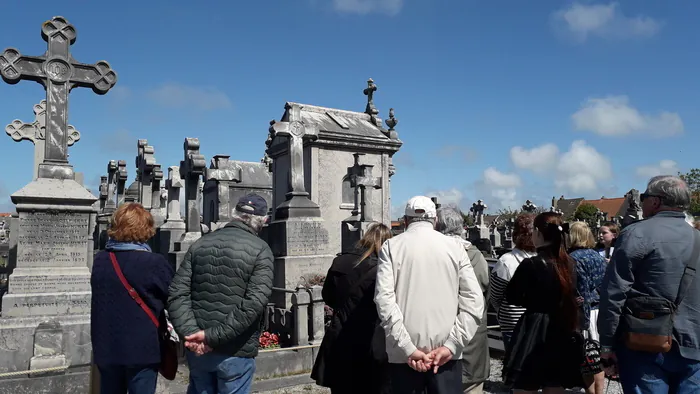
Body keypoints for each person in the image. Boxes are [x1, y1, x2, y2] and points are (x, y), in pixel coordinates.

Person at [598, 175, 700, 393]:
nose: (641, 201)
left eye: (643, 197)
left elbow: (614, 293)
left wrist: (606, 344)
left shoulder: (636, 234)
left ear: (656, 201)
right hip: (694, 344)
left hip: (644, 343)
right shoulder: (697, 238)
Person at [374, 196, 484, 394]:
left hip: (403, 357)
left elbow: (384, 301)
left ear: (405, 221)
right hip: (445, 356)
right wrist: (451, 345)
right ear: (434, 221)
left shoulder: (391, 247)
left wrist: (408, 348)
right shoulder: (456, 248)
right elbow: (474, 302)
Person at [168, 194, 274, 394]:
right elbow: (253, 304)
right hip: (235, 350)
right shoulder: (261, 251)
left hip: (198, 349)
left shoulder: (200, 244)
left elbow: (177, 294)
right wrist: (211, 337)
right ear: (263, 221)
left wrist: (192, 334)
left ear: (235, 214)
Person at [91, 203, 175, 394]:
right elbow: (173, 298)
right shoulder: (154, 263)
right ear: (146, 229)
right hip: (142, 350)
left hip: (106, 348)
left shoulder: (101, 260)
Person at [503, 212, 583, 393]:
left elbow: (512, 296)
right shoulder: (570, 263)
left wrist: (533, 299)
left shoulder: (531, 264)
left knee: (525, 385)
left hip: (534, 327)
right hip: (562, 326)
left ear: (538, 233)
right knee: (554, 384)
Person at [311, 223, 393, 394]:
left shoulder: (340, 261)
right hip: (371, 336)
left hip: (340, 333)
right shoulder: (383, 267)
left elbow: (328, 295)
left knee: (342, 387)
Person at [436, 207, 490, 394]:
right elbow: (485, 293)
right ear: (462, 227)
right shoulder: (476, 255)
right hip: (472, 339)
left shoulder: (433, 255)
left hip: (439, 340)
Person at [567, 222, 606, 394]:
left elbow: (581, 291)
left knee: (586, 359)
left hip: (585, 313)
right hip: (600, 310)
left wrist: (582, 321)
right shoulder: (598, 256)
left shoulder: (573, 258)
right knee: (597, 358)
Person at [489, 214, 537, 353]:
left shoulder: (544, 258)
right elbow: (496, 296)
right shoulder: (506, 262)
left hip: (533, 324)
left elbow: (496, 299)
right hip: (514, 326)